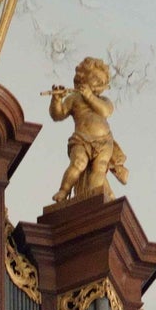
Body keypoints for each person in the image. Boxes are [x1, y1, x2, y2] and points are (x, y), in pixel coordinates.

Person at [49, 57, 128, 205]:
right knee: (78, 163)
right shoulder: (74, 98)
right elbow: (58, 115)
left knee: (99, 168)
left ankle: (96, 194)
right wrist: (56, 100)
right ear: (83, 77)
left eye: (102, 82)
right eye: (96, 79)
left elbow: (105, 112)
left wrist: (90, 96)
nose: (100, 84)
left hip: (104, 142)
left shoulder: (104, 101)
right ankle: (64, 190)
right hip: (81, 140)